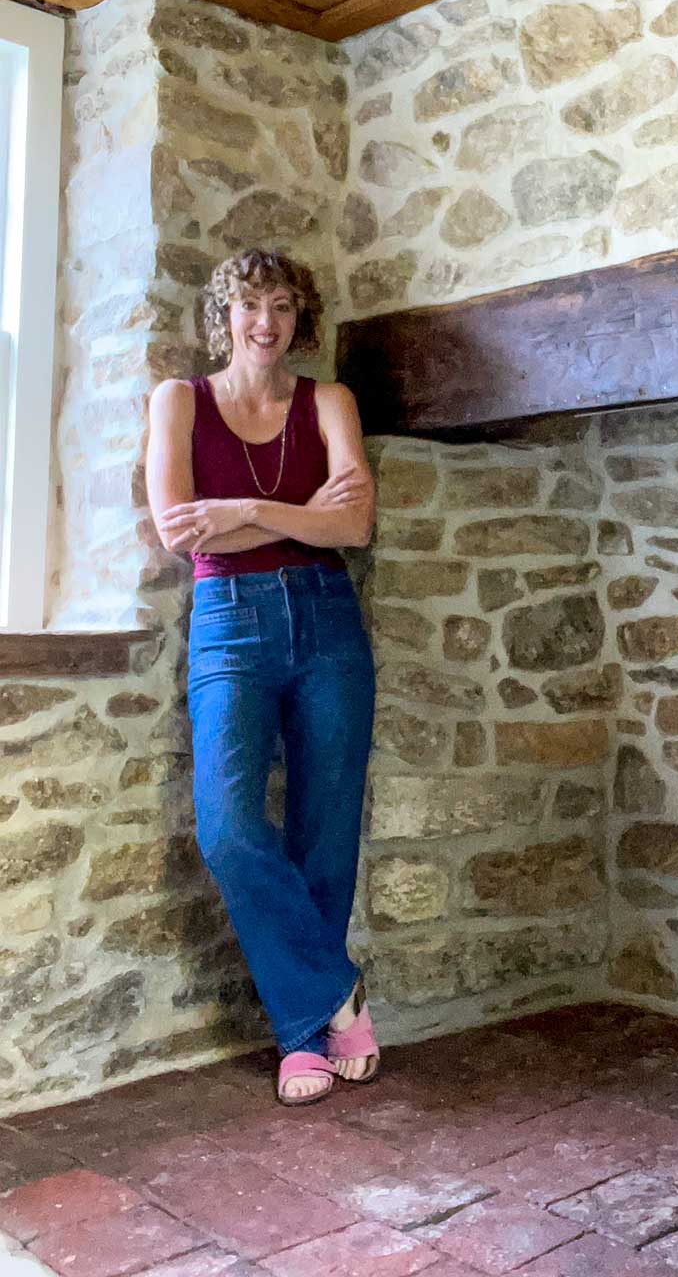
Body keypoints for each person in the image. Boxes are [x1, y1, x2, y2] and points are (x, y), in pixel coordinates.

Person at [146, 247, 380, 1106]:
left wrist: (242, 510)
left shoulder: (328, 401)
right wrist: (301, 520)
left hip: (327, 618)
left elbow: (354, 524)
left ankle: (300, 1042)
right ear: (225, 314)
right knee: (231, 827)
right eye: (251, 305)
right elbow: (181, 533)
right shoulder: (180, 401)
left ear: (298, 317)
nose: (267, 322)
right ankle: (335, 992)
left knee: (326, 828)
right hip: (229, 625)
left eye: (282, 306)